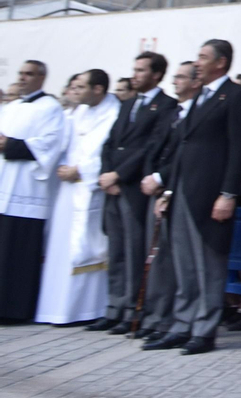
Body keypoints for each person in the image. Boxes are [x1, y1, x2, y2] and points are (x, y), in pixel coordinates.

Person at [144, 39, 241, 355]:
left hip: (210, 195)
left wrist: (228, 194)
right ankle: (182, 325)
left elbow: (237, 149)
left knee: (208, 264)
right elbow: (183, 148)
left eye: (203, 57)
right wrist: (169, 190)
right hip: (183, 194)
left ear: (220, 62)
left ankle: (204, 330)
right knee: (185, 265)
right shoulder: (199, 98)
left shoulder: (234, 96)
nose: (197, 62)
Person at [92, 51, 175, 335]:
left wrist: (119, 174)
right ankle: (114, 307)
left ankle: (133, 310)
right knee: (116, 249)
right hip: (113, 185)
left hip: (134, 187)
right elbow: (111, 142)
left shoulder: (166, 106)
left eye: (141, 70)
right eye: (135, 69)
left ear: (156, 75)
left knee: (134, 250)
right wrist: (106, 173)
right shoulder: (127, 105)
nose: (135, 74)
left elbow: (149, 147)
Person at [35, 70, 120, 324]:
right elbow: (63, 145)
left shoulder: (114, 113)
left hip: (91, 190)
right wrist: (63, 166)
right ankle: (56, 308)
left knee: (88, 247)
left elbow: (109, 151)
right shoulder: (77, 112)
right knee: (61, 247)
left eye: (81, 86)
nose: (75, 90)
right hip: (67, 190)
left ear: (98, 89)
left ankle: (88, 310)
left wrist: (81, 170)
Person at [138, 61, 201, 343]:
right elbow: (155, 147)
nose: (175, 82)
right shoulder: (172, 111)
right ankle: (154, 317)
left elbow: (183, 157)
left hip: (175, 189)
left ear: (196, 82)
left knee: (172, 262)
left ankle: (170, 321)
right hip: (157, 188)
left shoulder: (197, 113)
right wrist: (150, 177)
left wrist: (164, 183)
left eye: (180, 77)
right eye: (174, 77)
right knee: (158, 260)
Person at [0, 60, 67, 323]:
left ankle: (15, 310)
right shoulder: (12, 106)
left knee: (18, 254)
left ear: (42, 78)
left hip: (27, 191)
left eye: (29, 74)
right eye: (21, 73)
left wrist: (10, 145)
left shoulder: (51, 108)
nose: (23, 78)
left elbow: (50, 144)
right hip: (4, 186)